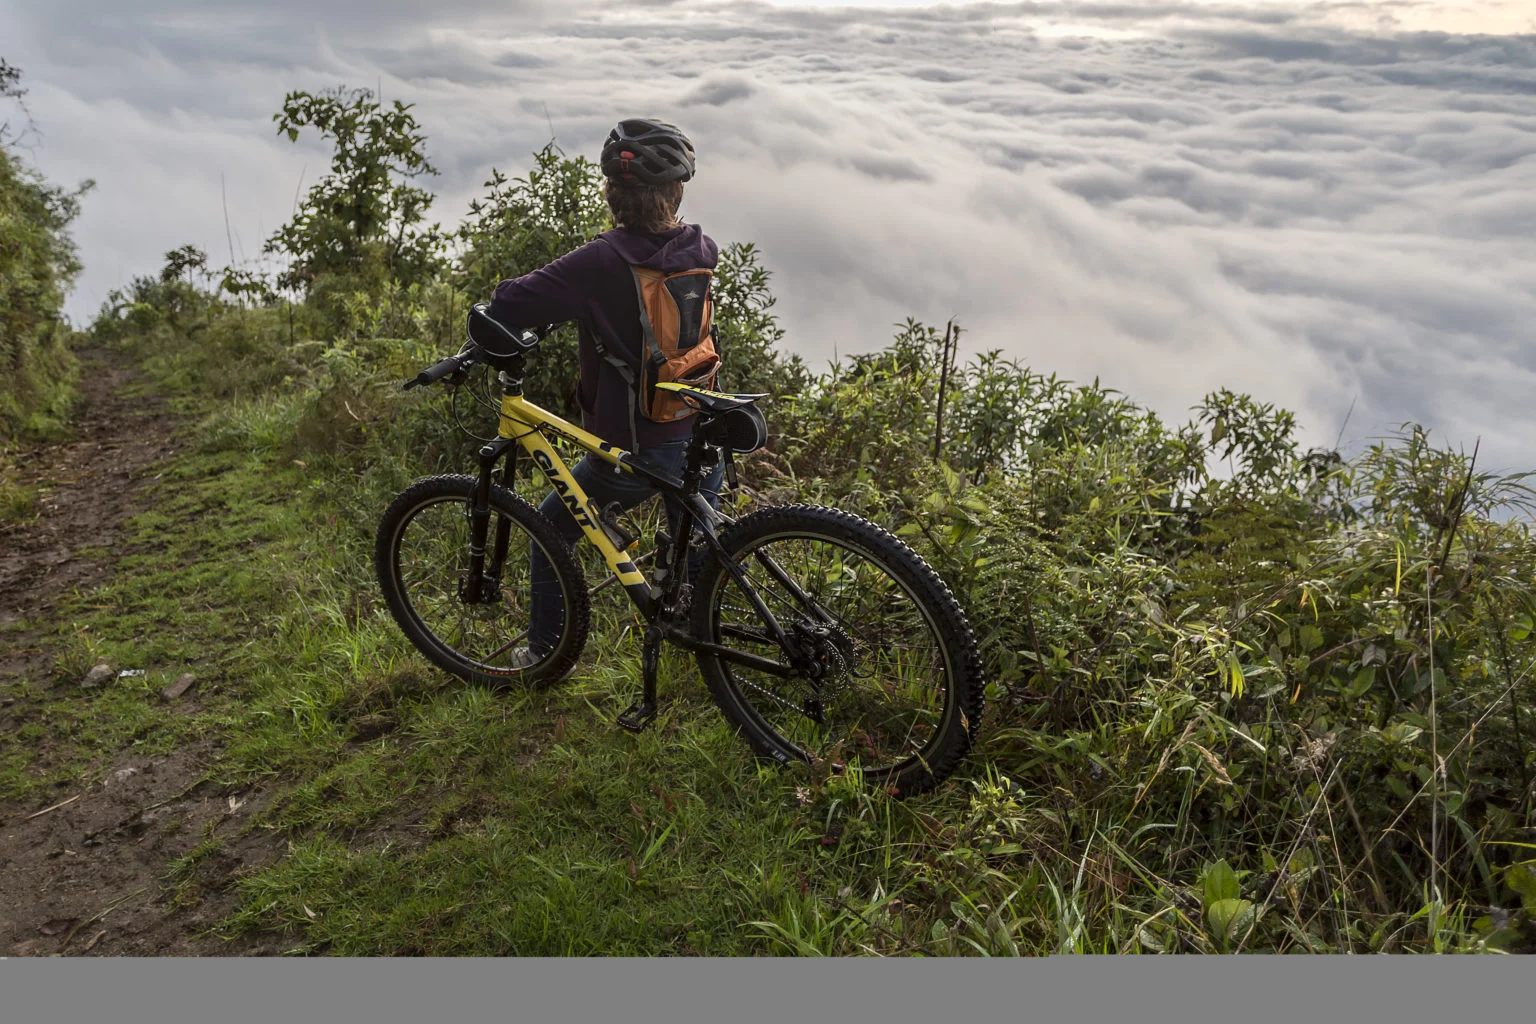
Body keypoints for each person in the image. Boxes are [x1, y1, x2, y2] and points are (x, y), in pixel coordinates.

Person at [487, 118, 725, 660]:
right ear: (675, 190)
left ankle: (544, 651)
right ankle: (705, 645)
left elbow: (510, 302)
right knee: (695, 548)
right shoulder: (701, 246)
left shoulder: (600, 261)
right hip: (701, 422)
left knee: (550, 526)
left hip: (637, 445)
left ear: (612, 194)